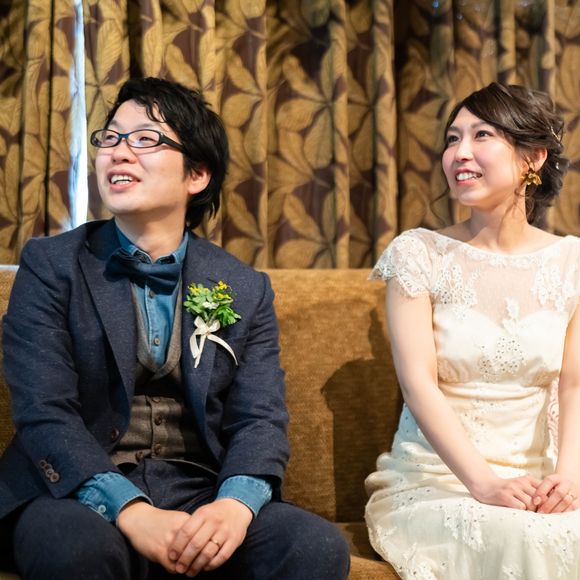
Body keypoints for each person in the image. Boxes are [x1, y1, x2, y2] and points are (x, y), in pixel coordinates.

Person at [0, 77, 350, 579]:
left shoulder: (244, 287)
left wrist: (235, 505)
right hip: (74, 491)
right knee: (77, 549)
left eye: (145, 138)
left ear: (197, 175)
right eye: (111, 137)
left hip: (198, 488)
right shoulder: (51, 264)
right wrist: (131, 511)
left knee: (314, 547)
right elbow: (45, 411)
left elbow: (258, 419)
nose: (119, 152)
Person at [365, 82, 580, 579]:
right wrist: (484, 485)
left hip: (538, 479)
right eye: (452, 138)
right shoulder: (418, 254)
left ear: (533, 158)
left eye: (481, 135)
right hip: (439, 482)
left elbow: (573, 384)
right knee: (525, 539)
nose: (459, 153)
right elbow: (417, 384)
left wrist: (568, 478)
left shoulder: (572, 261)